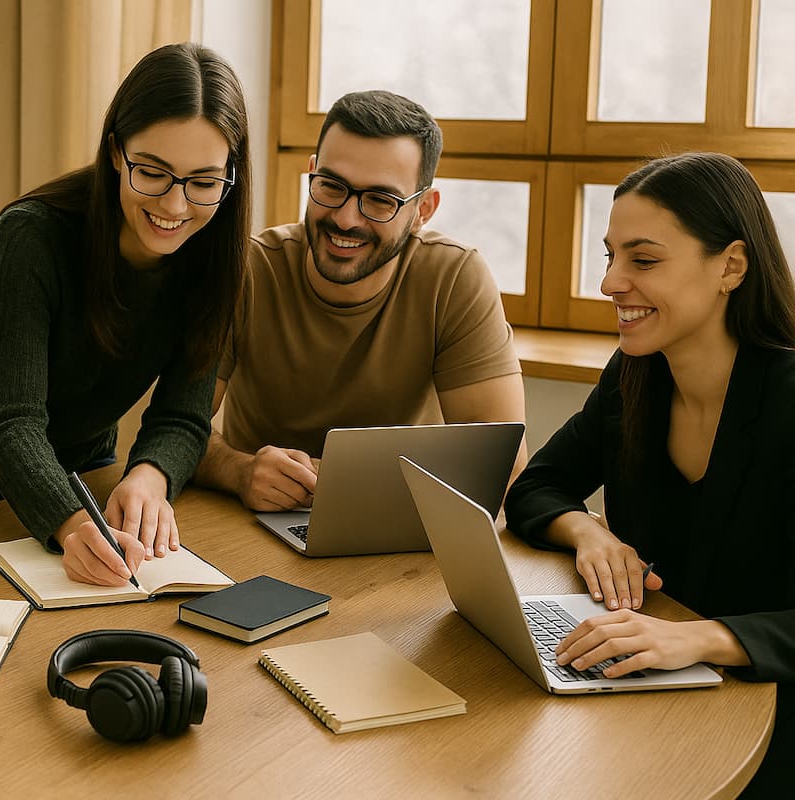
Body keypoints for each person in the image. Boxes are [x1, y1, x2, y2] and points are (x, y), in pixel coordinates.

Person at [0, 42, 250, 587]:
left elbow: (183, 416)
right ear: (115, 151)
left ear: (230, 175)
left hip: (81, 465)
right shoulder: (31, 235)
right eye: (152, 172)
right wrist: (69, 524)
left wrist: (149, 476)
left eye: (204, 183)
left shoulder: (220, 260)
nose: (175, 206)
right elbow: (8, 423)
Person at [505, 152, 795, 795]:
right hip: (649, 691)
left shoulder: (787, 402)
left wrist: (703, 639)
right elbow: (534, 487)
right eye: (610, 257)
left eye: (643, 260)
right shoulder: (636, 374)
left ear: (732, 266)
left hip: (766, 715)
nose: (611, 283)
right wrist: (588, 532)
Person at [194, 90, 526, 511]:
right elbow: (177, 430)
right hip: (252, 522)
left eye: (380, 200)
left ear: (424, 209)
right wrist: (239, 471)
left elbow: (505, 467)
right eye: (331, 186)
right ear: (311, 174)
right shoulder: (247, 269)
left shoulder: (454, 278)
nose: (346, 218)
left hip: (401, 523)